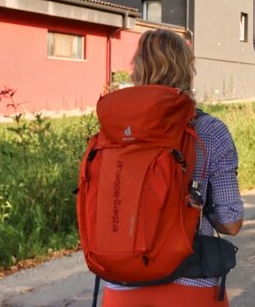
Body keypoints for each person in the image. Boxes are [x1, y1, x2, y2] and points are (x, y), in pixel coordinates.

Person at [102, 29, 244, 307]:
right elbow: (231, 222)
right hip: (192, 285)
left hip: (121, 286)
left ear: (137, 69)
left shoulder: (111, 130)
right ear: (187, 69)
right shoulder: (210, 132)